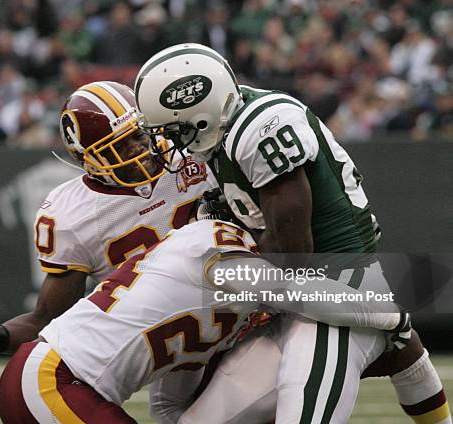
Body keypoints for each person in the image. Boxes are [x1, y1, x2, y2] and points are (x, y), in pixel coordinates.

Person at [134, 43, 450, 424]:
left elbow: (294, 254)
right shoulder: (225, 131)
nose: (167, 141)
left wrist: (230, 259)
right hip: (299, 299)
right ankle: (391, 324)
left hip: (335, 289)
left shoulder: (262, 127)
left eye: (173, 128)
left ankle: (385, 319)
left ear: (201, 117)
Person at [0, 218, 411, 423]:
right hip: (53, 379)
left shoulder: (224, 308)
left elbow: (169, 406)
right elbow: (292, 292)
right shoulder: (215, 247)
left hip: (51, 381)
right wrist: (389, 313)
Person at [0, 81, 216, 354]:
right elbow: (47, 317)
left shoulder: (190, 151)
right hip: (170, 339)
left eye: (138, 134)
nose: (138, 148)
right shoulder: (73, 215)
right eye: (120, 145)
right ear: (90, 158)